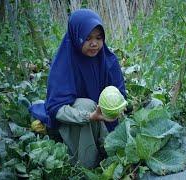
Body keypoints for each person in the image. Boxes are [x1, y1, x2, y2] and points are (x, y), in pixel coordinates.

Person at [29, 9, 126, 168]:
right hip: (74, 122)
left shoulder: (108, 61)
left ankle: (105, 149)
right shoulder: (64, 63)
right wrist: (89, 116)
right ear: (75, 37)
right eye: (87, 38)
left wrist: (116, 109)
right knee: (86, 104)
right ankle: (87, 164)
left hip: (101, 119)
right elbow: (56, 108)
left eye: (98, 38)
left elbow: (120, 94)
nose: (94, 43)